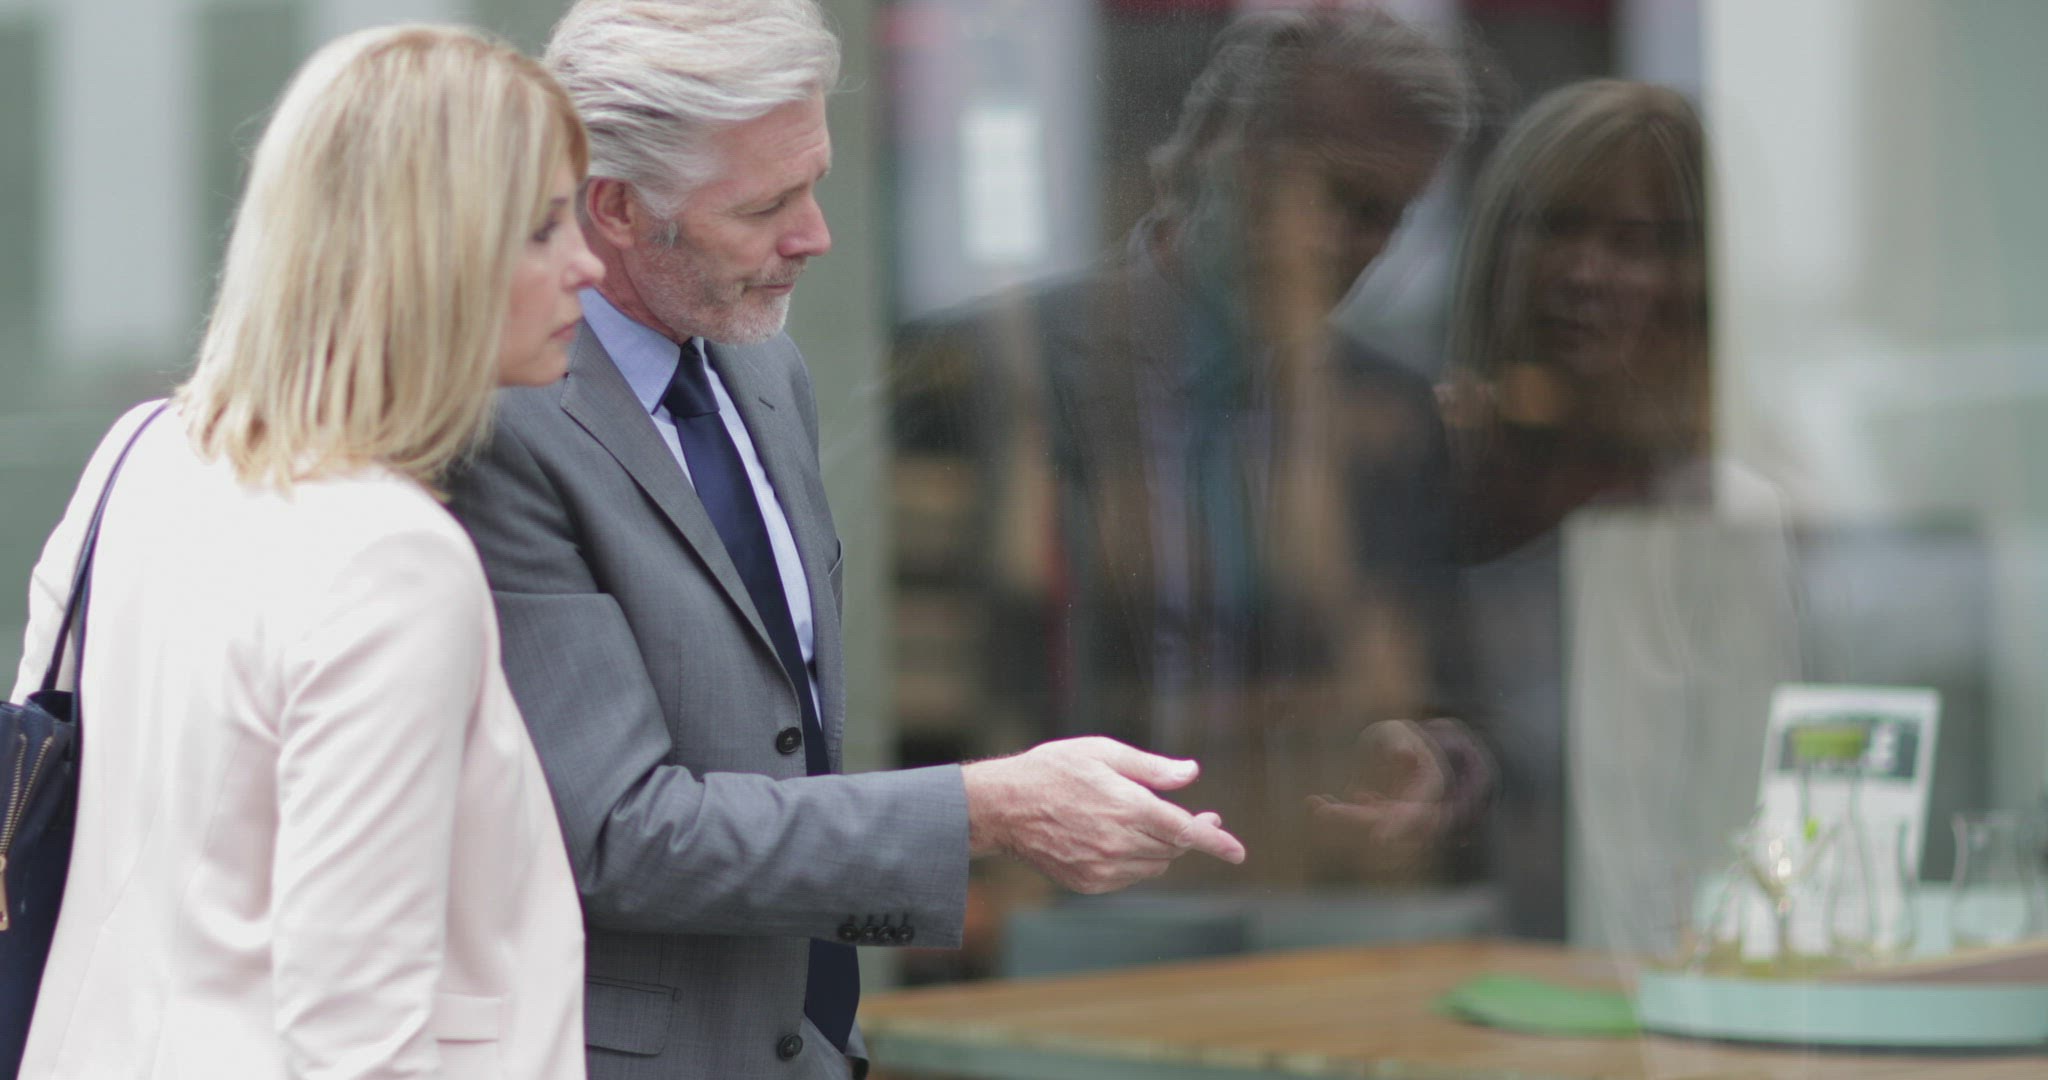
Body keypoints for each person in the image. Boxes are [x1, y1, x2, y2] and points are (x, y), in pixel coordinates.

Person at [444, 3, 1246, 1078]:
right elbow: (615, 834)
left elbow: (784, 745)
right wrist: (986, 811)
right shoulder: (503, 422)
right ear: (617, 207)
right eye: (766, 204)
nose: (814, 235)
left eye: (814, 182)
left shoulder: (762, 366)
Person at [10, 24, 602, 1079]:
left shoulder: (144, 455)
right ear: (433, 252)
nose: (587, 266)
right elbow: (356, 1037)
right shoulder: (393, 559)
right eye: (545, 228)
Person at [894, 6, 1491, 891]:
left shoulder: (1393, 411)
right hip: (1048, 904)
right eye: (1315, 189)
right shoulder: (987, 369)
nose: (1330, 239)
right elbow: (909, 691)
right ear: (1218, 152)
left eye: (1378, 214)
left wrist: (1434, 757)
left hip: (1304, 898)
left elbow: (1448, 692)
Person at [1439, 79, 1726, 940]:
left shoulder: (1715, 505)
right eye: (1556, 228)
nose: (1584, 273)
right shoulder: (1436, 469)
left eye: (1632, 243)